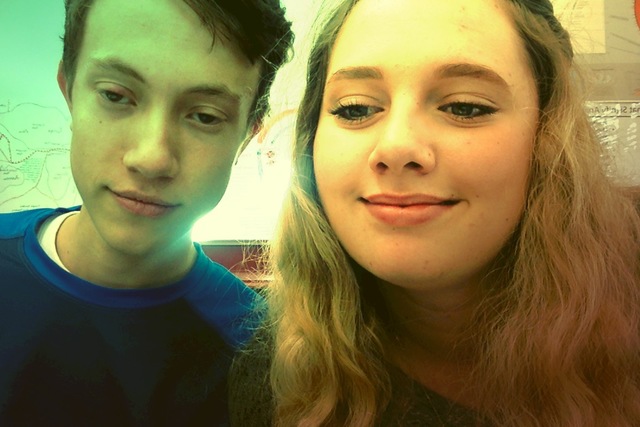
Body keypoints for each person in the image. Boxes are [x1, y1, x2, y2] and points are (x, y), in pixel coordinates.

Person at [229, 0, 640, 425]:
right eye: (355, 108)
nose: (396, 147)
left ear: (548, 134)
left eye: (464, 106)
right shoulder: (276, 380)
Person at [0, 0, 292, 425]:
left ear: (247, 135)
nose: (152, 159)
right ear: (69, 90)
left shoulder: (261, 356)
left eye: (205, 116)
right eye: (116, 96)